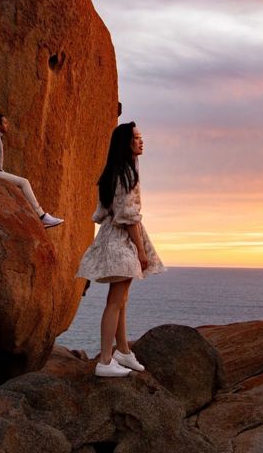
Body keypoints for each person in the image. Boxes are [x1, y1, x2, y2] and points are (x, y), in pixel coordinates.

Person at [76, 121, 165, 377]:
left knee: (121, 300)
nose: (141, 141)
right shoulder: (126, 173)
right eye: (136, 137)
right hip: (122, 240)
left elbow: (103, 212)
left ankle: (123, 351)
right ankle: (105, 361)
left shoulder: (115, 171)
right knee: (115, 302)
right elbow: (127, 215)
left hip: (111, 237)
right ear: (125, 143)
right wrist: (141, 250)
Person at [0, 113, 63, 229]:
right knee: (24, 182)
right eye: (5, 123)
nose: (7, 125)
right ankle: (42, 216)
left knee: (19, 187)